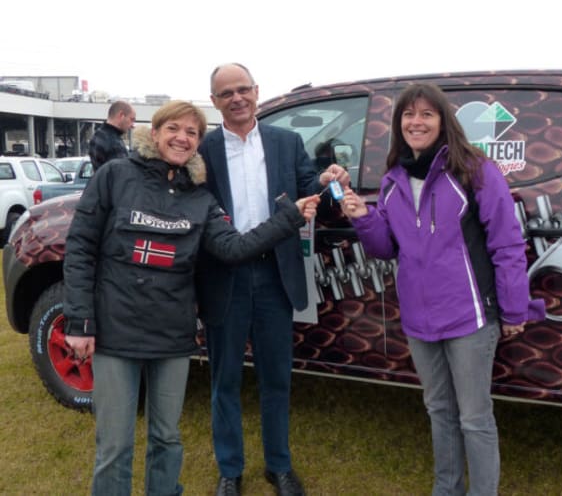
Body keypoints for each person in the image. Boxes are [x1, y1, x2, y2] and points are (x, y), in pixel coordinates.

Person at [63, 100, 320, 496]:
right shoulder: (115, 175)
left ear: (199, 143)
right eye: (174, 129)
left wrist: (289, 216)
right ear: (156, 131)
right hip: (116, 330)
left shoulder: (200, 198)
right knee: (115, 446)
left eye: (192, 133)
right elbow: (80, 246)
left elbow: (234, 247)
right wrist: (80, 321)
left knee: (167, 439)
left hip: (172, 334)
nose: (182, 138)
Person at [341, 83, 545, 495]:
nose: (416, 122)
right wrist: (363, 216)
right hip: (419, 319)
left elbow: (507, 244)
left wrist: (513, 310)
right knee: (438, 410)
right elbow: (385, 248)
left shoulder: (474, 171)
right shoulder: (393, 179)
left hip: (470, 316)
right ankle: (446, 488)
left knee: (474, 417)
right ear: (399, 124)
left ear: (443, 121)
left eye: (426, 114)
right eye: (408, 115)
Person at [197, 63, 349, 496]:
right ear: (215, 101)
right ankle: (230, 470)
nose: (237, 98)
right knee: (224, 378)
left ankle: (278, 466)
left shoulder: (286, 142)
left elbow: (307, 184)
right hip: (224, 274)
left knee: (276, 376)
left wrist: (326, 178)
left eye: (243, 89)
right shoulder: (203, 151)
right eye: (226, 93)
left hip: (273, 274)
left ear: (257, 92)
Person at [88, 100, 136, 170]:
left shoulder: (98, 135)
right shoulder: (113, 142)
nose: (132, 125)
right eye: (132, 119)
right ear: (121, 115)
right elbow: (123, 174)